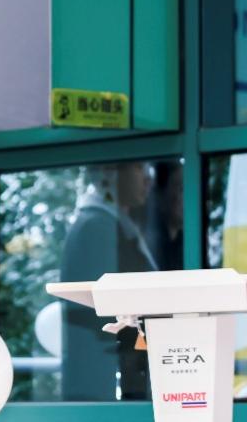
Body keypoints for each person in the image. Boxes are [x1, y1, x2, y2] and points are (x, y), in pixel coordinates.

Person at [60, 161, 158, 401]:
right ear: (109, 172)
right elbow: (103, 314)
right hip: (106, 382)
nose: (148, 178)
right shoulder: (97, 227)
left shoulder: (113, 225)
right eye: (139, 167)